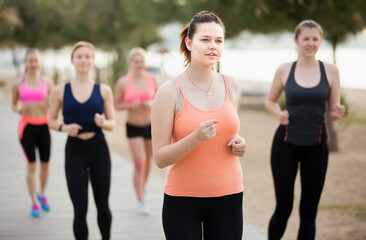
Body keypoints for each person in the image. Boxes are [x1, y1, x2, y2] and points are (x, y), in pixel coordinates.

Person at [151, 11, 247, 240]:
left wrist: (239, 143)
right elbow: (160, 158)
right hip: (183, 200)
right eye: (205, 40)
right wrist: (196, 137)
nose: (212, 46)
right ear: (189, 42)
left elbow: (228, 131)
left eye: (219, 40)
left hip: (229, 196)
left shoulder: (231, 85)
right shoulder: (169, 92)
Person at [265, 20, 346, 240]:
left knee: (309, 211)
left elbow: (332, 110)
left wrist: (335, 114)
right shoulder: (284, 69)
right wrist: (278, 114)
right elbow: (270, 101)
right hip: (285, 146)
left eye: (315, 39)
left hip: (317, 148)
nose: (310, 43)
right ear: (296, 41)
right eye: (306, 39)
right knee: (284, 208)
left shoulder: (331, 71)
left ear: (320, 40)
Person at [48, 41, 115, 240]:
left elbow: (113, 123)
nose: (83, 60)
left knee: (103, 205)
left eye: (88, 56)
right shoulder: (60, 90)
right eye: (79, 56)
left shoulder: (104, 90)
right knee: (80, 209)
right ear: (72, 60)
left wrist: (104, 122)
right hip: (74, 151)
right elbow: (51, 121)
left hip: (99, 150)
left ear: (93, 61)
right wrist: (64, 127)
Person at [114, 47, 158, 214]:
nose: (139, 64)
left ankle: (142, 187)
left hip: (151, 125)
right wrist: (129, 105)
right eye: (136, 61)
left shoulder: (152, 79)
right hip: (133, 126)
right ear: (130, 63)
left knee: (148, 161)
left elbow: (161, 100)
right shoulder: (123, 82)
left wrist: (152, 103)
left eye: (142, 61)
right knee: (139, 162)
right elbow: (115, 105)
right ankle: (140, 199)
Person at [11, 48, 54, 217]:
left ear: (40, 62)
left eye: (36, 60)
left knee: (45, 165)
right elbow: (13, 105)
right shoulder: (18, 83)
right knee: (31, 165)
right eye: (30, 61)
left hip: (44, 127)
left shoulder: (48, 82)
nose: (33, 64)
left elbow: (54, 105)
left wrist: (49, 103)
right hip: (27, 127)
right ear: (25, 63)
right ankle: (34, 203)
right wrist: (19, 110)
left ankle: (42, 194)